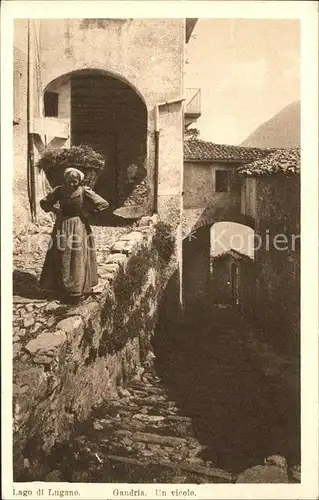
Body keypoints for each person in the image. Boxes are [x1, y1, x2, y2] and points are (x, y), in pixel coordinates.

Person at [39, 167, 109, 303]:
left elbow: (103, 204)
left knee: (77, 256)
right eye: (69, 181)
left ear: (79, 181)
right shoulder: (59, 191)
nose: (71, 184)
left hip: (78, 226)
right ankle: (62, 288)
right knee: (61, 254)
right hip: (62, 225)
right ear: (65, 180)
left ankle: (77, 289)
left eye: (74, 181)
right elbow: (44, 203)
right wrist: (54, 210)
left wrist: (88, 213)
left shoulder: (84, 191)